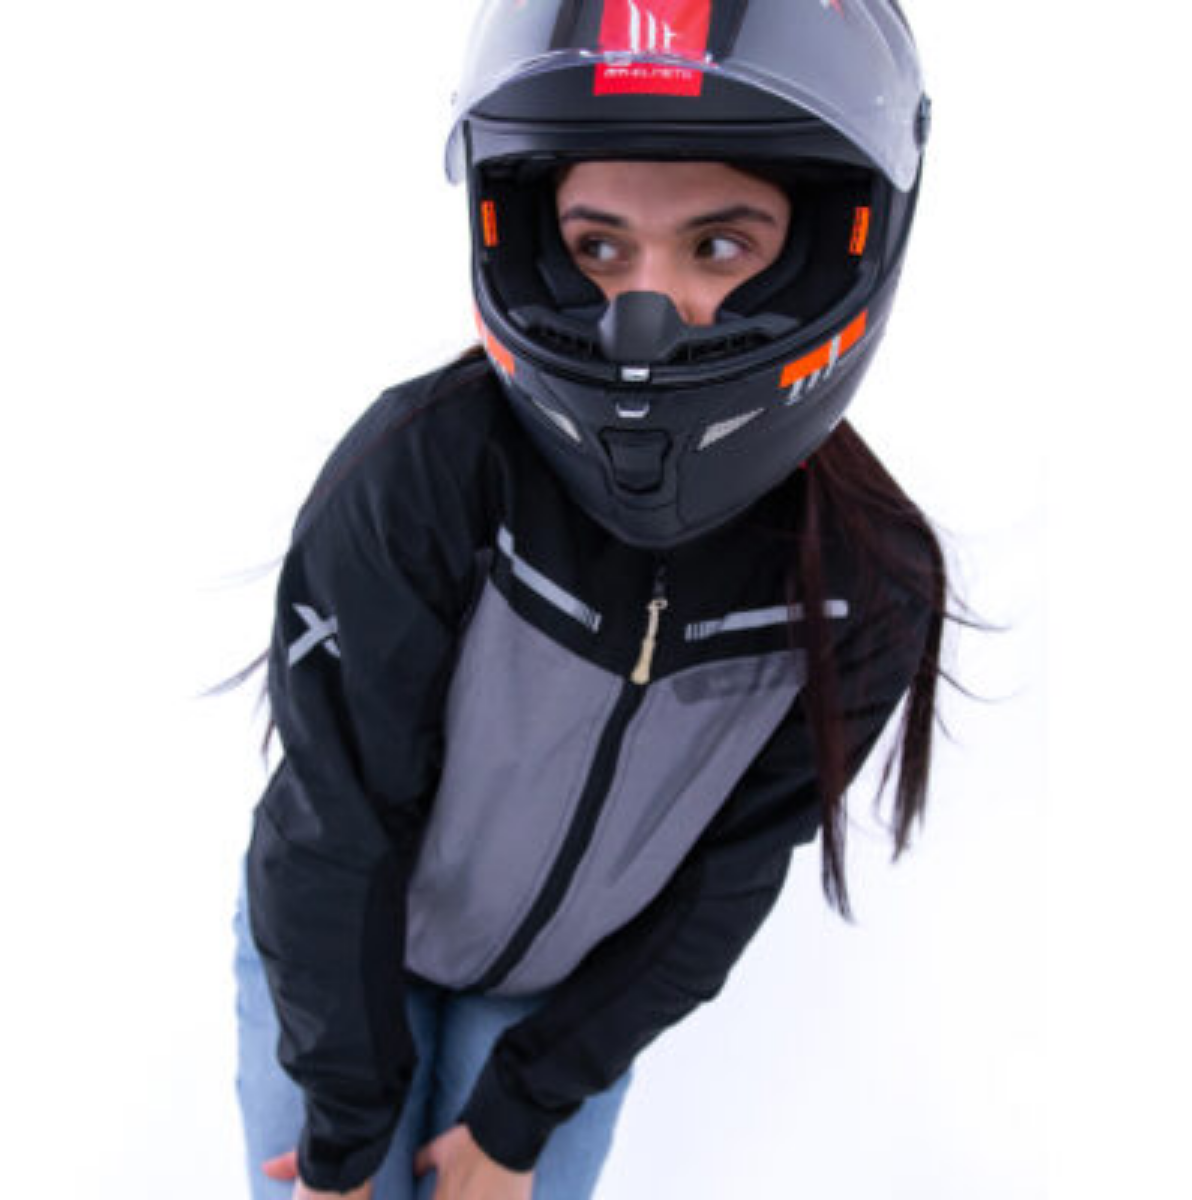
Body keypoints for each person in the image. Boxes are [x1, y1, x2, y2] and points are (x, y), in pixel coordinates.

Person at [229, 1, 948, 1197]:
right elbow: (331, 825)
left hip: (559, 1014)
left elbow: (723, 881)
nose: (645, 316)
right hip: (341, 964)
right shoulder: (425, 471)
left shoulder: (867, 581)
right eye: (600, 248)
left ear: (835, 241)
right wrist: (346, 1139)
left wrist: (521, 1115)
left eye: (721, 246)